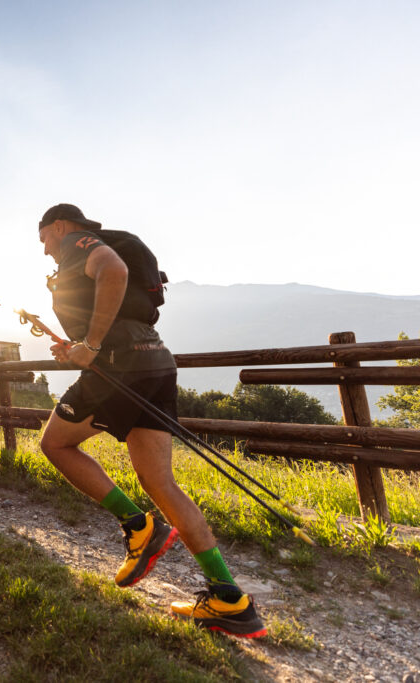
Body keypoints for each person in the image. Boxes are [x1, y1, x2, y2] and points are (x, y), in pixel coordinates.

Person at [36, 203, 265, 638]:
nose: (46, 251)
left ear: (59, 226)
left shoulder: (77, 242)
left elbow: (114, 271)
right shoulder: (93, 243)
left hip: (121, 364)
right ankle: (230, 600)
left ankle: (138, 526)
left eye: (44, 239)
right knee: (160, 483)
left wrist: (94, 342)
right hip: (157, 361)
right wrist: (80, 346)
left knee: (55, 444)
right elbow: (118, 299)